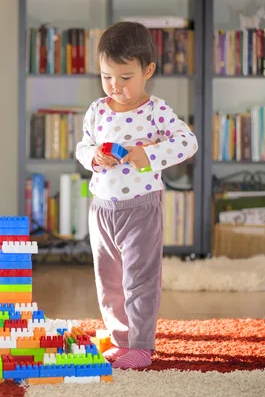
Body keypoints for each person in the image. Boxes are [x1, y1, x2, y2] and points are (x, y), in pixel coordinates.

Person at [75, 21, 198, 369]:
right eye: (107, 77)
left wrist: (151, 155)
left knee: (140, 280)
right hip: (101, 209)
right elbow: (83, 147)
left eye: (125, 78)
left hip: (141, 209)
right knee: (108, 281)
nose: (116, 87)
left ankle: (142, 345)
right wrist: (94, 157)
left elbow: (188, 142)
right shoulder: (98, 110)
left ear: (148, 71)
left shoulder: (156, 110)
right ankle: (120, 339)